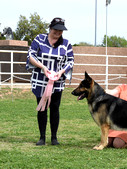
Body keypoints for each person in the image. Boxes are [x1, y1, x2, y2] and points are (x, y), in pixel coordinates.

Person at [26, 17, 74, 146]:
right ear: (50, 28)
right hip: (40, 79)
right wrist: (43, 67)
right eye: (56, 29)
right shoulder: (39, 39)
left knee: (55, 108)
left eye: (61, 30)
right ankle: (42, 137)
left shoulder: (66, 43)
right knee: (42, 108)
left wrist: (61, 72)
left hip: (57, 81)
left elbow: (70, 61)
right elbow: (31, 55)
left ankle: (54, 138)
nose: (58, 32)